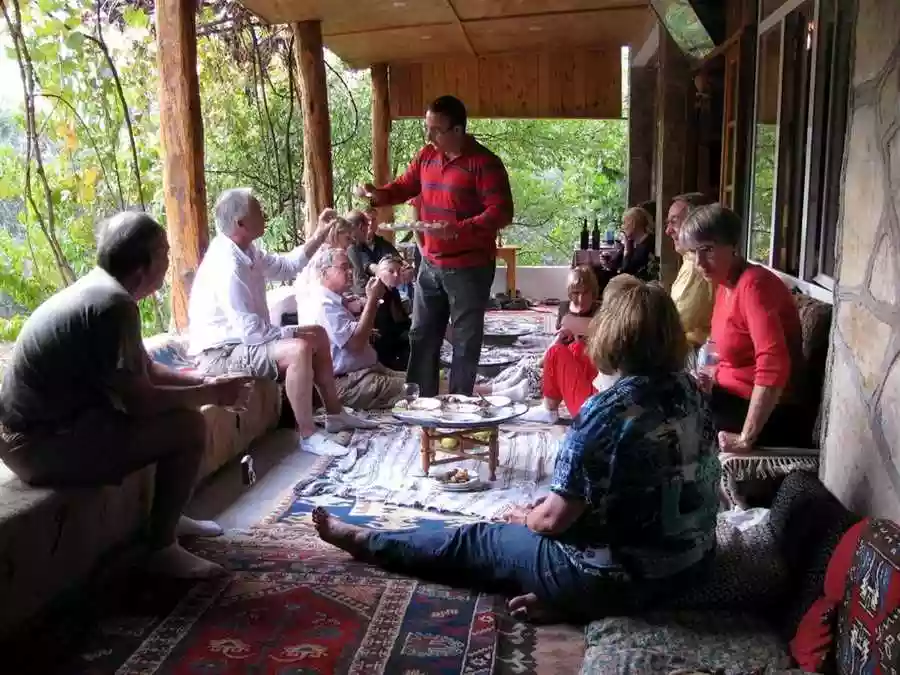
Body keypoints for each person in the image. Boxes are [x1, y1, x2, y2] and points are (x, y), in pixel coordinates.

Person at [311, 280, 719, 623]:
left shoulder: (608, 410)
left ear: (615, 335)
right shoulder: (692, 392)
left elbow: (552, 522)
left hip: (621, 580)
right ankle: (565, 597)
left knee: (481, 539)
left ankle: (368, 541)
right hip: (692, 569)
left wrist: (527, 518)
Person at [0, 212, 252, 578]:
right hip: (39, 446)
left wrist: (206, 381)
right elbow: (141, 403)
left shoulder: (105, 291)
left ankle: (169, 515)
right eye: (165, 251)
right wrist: (211, 393)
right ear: (142, 264)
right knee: (188, 428)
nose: (170, 259)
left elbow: (147, 370)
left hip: (47, 432)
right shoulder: (113, 305)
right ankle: (162, 547)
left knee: (180, 416)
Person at [188, 188, 375, 458]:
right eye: (258, 211)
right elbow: (252, 332)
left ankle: (335, 414)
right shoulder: (228, 265)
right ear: (240, 223)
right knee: (298, 349)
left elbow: (287, 266)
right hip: (220, 354)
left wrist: (319, 234)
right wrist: (292, 333)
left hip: (242, 342)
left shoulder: (247, 252)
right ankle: (307, 434)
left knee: (318, 334)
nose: (264, 215)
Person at [357, 95, 514, 396]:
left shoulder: (485, 163)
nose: (429, 136)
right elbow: (404, 186)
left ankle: (460, 405)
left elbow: (502, 212)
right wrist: (377, 194)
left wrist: (461, 229)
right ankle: (420, 401)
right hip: (430, 263)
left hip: (470, 266)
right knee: (421, 334)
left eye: (436, 130)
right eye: (426, 128)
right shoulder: (427, 156)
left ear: (458, 130)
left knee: (465, 341)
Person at [679, 204, 812, 451]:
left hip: (771, 414)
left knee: (671, 426)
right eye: (694, 252)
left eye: (707, 249)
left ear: (733, 244)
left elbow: (774, 364)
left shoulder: (755, 286)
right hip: (730, 396)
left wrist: (744, 438)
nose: (700, 263)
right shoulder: (725, 284)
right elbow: (719, 344)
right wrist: (707, 377)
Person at [519, 272, 641, 422]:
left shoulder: (618, 329)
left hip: (601, 413)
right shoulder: (640, 327)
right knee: (577, 347)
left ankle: (548, 409)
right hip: (617, 402)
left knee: (556, 352)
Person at [477, 265, 602, 404]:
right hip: (559, 353)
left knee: (541, 371)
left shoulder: (600, 311)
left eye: (585, 293)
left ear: (593, 292)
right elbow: (558, 341)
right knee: (526, 363)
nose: (580, 298)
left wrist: (578, 329)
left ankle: (503, 391)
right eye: (575, 293)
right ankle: (497, 387)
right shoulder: (565, 307)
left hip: (582, 362)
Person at [300, 248, 406, 409]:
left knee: (420, 378)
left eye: (350, 266)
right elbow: (356, 343)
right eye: (344, 267)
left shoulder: (335, 300)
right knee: (421, 389)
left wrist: (367, 329)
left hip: (366, 372)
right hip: (349, 382)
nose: (350, 271)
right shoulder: (324, 306)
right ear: (324, 273)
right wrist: (372, 299)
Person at [664, 193, 716, 352]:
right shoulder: (689, 260)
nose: (668, 231)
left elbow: (678, 323)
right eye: (668, 223)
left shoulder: (697, 266)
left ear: (695, 224)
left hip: (695, 353)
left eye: (674, 222)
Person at [370, 255, 412, 370]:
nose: (396, 275)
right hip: (385, 346)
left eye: (399, 271)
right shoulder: (375, 292)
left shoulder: (392, 290)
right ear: (379, 273)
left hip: (395, 336)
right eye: (391, 271)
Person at [601, 206, 658, 282]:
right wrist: (608, 263)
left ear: (633, 224)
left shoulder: (647, 244)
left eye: (624, 223)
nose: (622, 227)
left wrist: (627, 251)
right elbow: (616, 266)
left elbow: (626, 274)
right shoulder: (631, 242)